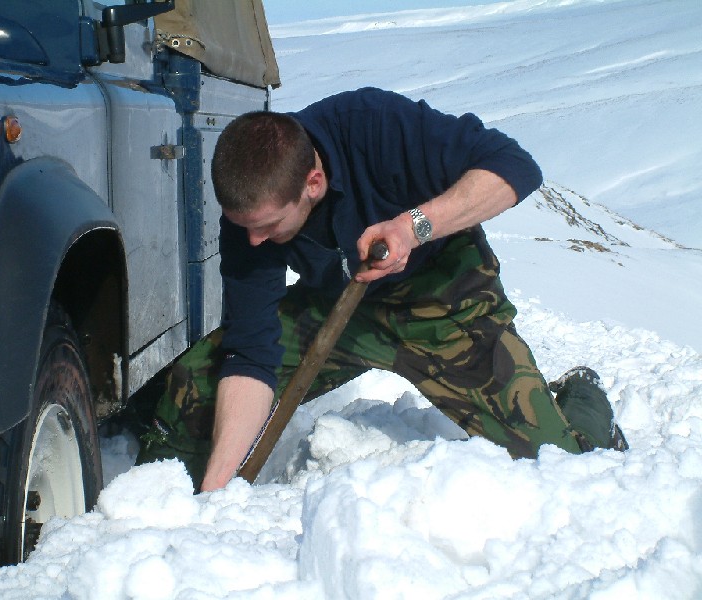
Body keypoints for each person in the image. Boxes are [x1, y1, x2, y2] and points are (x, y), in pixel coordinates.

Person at [137, 87, 626, 491]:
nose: (254, 241)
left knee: (559, 463)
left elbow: (514, 166)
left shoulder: (375, 125)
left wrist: (413, 227)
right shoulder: (251, 216)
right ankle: (165, 504)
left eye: (268, 226)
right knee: (198, 383)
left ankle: (583, 394)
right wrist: (218, 489)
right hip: (339, 311)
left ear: (313, 182)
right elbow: (251, 352)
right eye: (244, 227)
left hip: (443, 303)